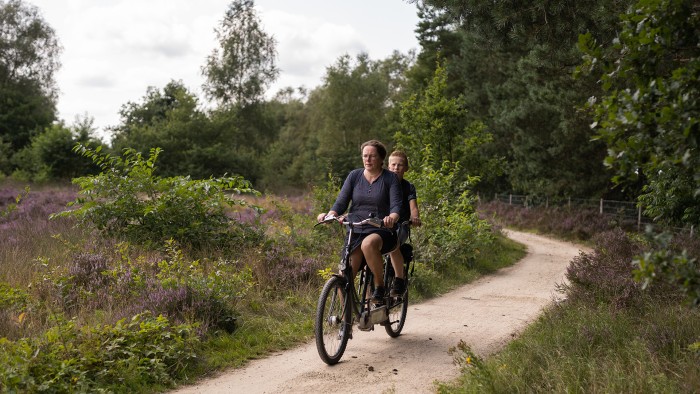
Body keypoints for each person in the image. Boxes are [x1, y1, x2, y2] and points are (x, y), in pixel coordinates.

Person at [317, 140, 402, 303]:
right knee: (345, 274)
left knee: (368, 244)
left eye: (372, 156)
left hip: (381, 229)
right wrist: (331, 214)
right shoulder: (354, 176)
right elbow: (341, 201)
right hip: (356, 229)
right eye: (365, 156)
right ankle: (346, 322)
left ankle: (379, 287)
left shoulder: (390, 178)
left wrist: (392, 218)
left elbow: (396, 205)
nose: (368, 159)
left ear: (381, 158)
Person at [387, 150, 421, 297]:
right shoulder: (383, 183)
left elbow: (413, 206)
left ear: (406, 168)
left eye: (400, 165)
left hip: (401, 226)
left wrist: (415, 218)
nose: (396, 168)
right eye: (393, 164)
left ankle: (399, 279)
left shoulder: (408, 187)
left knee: (392, 244)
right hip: (382, 225)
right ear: (388, 166)